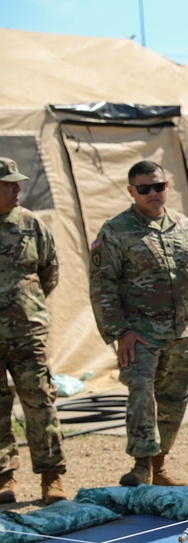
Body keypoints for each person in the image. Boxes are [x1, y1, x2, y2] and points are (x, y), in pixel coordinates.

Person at [89, 160, 188, 487]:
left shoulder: (183, 226)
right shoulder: (116, 231)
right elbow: (101, 285)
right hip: (140, 334)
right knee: (141, 396)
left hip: (180, 333)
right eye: (144, 189)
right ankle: (140, 465)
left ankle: (159, 465)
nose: (153, 193)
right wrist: (120, 332)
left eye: (159, 186)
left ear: (166, 187)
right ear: (132, 191)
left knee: (175, 400)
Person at [0, 157, 67, 506]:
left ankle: (51, 477)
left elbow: (48, 273)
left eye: (18, 183)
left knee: (40, 403)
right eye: (8, 184)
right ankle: (4, 478)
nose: (17, 189)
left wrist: (26, 307)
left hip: (27, 335)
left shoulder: (30, 224)